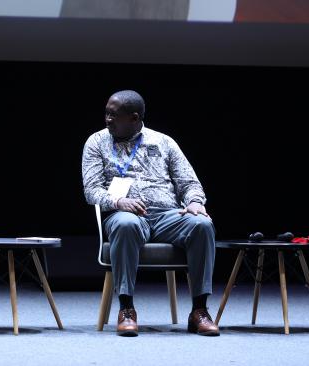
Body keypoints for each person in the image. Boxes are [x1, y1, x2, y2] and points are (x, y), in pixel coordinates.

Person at [82, 90, 219, 337]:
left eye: (113, 115)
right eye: (106, 113)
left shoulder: (164, 142)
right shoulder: (96, 142)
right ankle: (126, 309)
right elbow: (91, 190)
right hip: (125, 214)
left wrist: (196, 202)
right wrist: (118, 201)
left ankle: (200, 310)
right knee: (125, 225)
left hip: (167, 215)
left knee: (202, 225)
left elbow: (189, 182)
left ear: (134, 118)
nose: (107, 119)